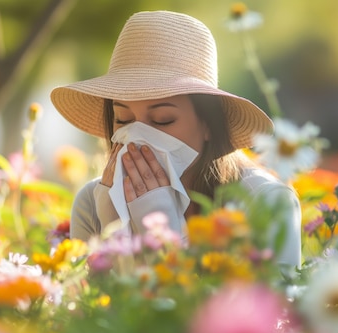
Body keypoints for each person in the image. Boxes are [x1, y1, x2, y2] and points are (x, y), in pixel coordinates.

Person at [50, 10, 301, 267]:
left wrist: (163, 238)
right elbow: (87, 304)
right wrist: (114, 230)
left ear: (208, 125)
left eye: (162, 120)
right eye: (123, 120)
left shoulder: (265, 202)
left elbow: (272, 305)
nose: (137, 137)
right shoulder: (93, 203)